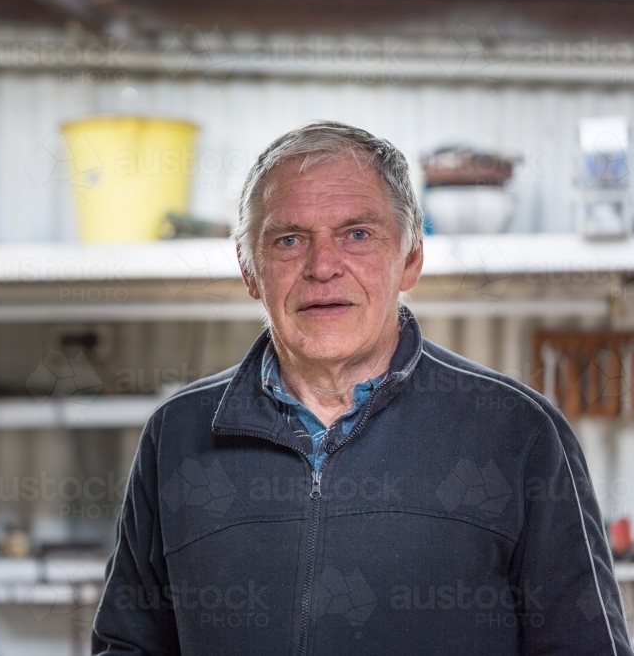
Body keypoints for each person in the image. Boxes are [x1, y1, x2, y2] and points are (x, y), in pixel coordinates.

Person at [91, 121, 633, 655]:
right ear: (249, 269)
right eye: (288, 239)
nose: (322, 266)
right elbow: (128, 647)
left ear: (411, 258)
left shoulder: (518, 433)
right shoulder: (178, 434)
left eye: (357, 234)